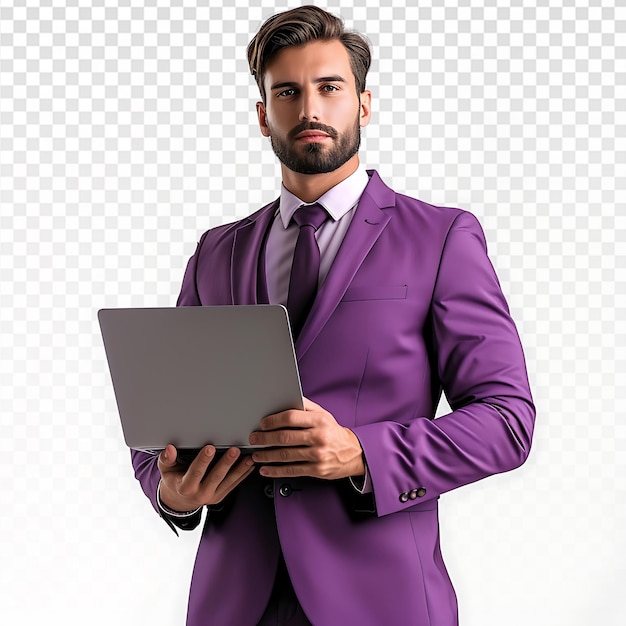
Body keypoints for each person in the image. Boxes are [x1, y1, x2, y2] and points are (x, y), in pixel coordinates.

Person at [131, 6, 535, 625]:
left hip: (382, 600)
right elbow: (165, 421)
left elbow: (507, 422)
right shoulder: (218, 251)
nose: (309, 109)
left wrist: (360, 453)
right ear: (264, 115)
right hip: (235, 601)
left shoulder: (442, 237)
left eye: (330, 87)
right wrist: (172, 493)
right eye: (287, 92)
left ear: (363, 105)